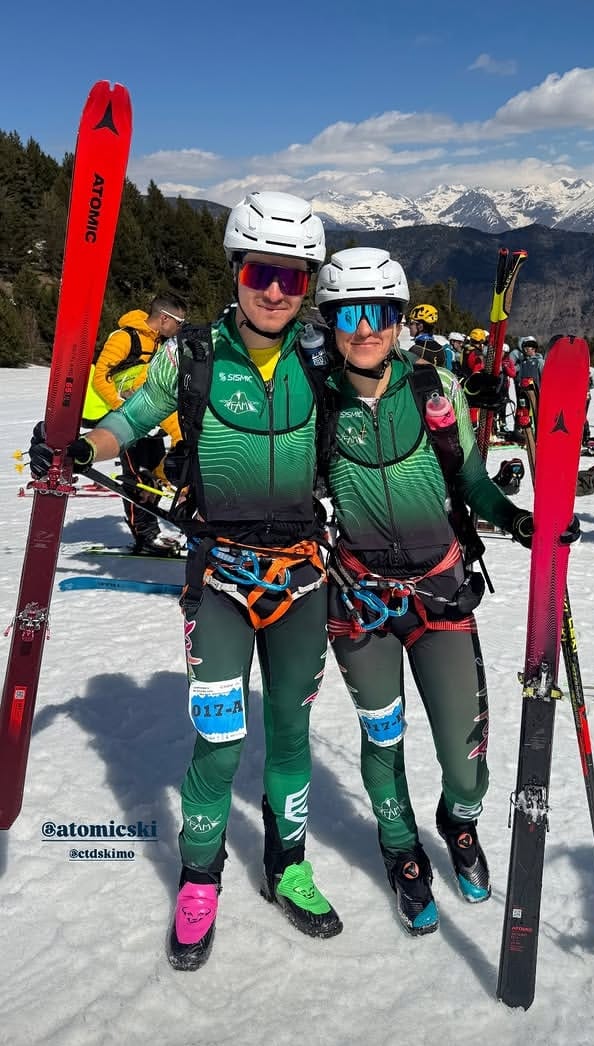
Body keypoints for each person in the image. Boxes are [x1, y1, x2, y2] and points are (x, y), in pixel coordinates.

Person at [29, 190, 342, 968]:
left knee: (293, 735)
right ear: (236, 270)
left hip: (304, 580)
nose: (276, 290)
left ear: (309, 288)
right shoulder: (192, 354)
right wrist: (75, 447)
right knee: (219, 735)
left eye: (294, 278)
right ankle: (201, 877)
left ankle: (289, 866)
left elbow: (387, 414)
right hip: (222, 581)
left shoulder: (323, 357)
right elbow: (129, 420)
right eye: (262, 271)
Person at [313, 246, 578, 936]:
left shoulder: (435, 389)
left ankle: (458, 824)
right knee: (384, 738)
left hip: (439, 592)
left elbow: (473, 482)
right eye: (348, 314)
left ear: (398, 320)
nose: (365, 328)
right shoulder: (315, 399)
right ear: (330, 321)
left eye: (379, 313)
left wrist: (519, 518)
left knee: (467, 760)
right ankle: (400, 850)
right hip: (361, 600)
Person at [88, 293, 188, 554]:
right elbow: (100, 377)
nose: (180, 329)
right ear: (164, 318)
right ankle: (145, 537)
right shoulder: (125, 337)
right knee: (136, 477)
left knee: (151, 476)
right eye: (178, 323)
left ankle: (153, 527)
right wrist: (125, 409)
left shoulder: (160, 344)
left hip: (150, 416)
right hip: (129, 420)